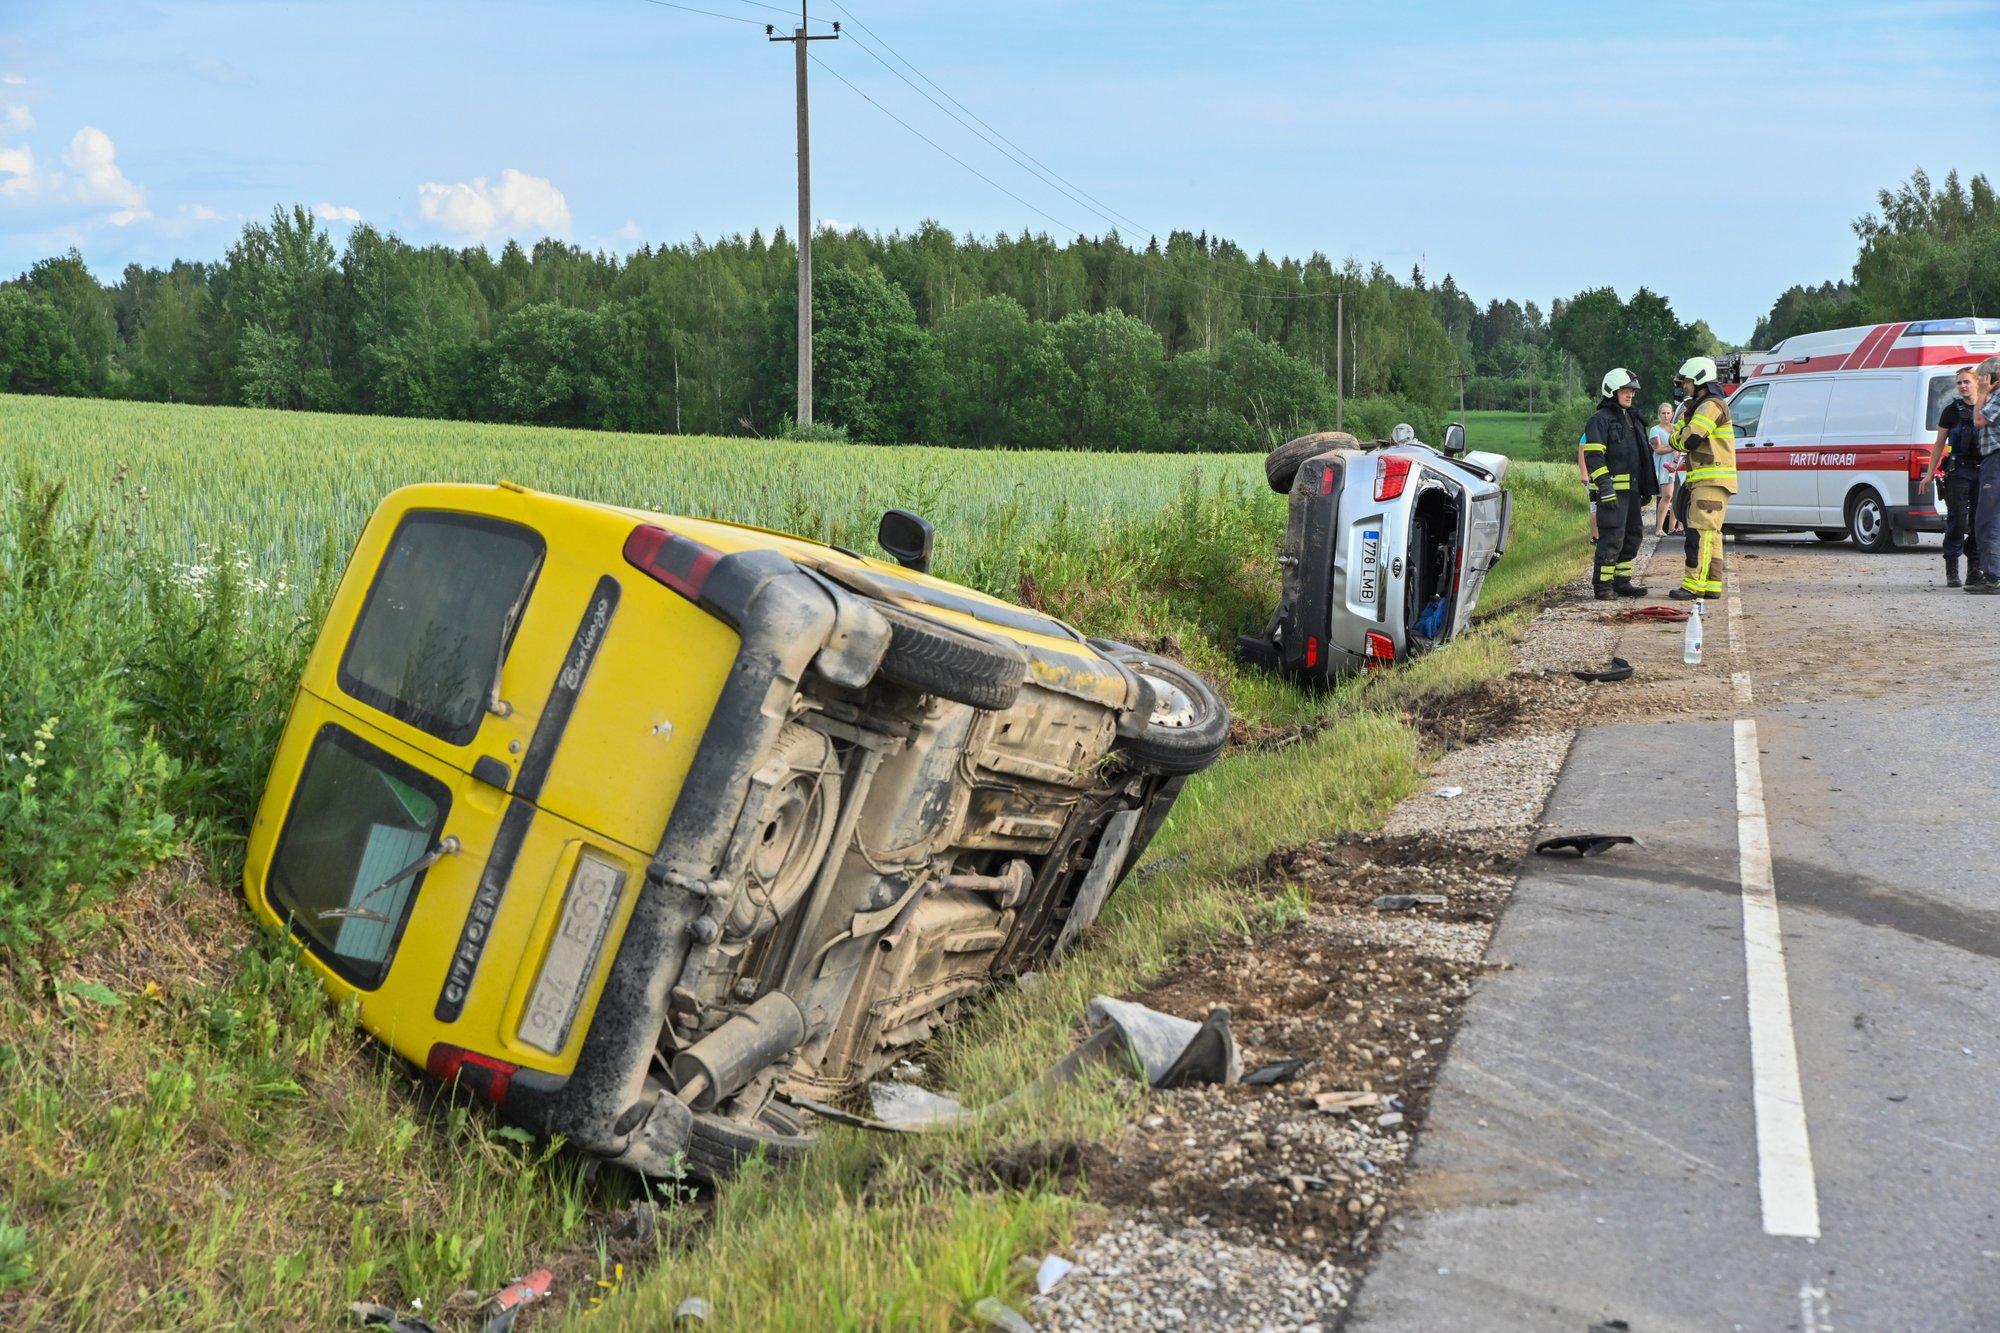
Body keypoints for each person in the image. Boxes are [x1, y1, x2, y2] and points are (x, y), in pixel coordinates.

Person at [1582, 367, 1658, 598]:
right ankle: (1603, 586)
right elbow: (1594, 457)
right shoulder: (1599, 420)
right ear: (1611, 391)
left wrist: (1645, 487)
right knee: (1612, 537)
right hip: (1612, 493)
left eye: (1632, 391)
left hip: (1633, 492)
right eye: (1625, 391)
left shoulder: (1633, 419)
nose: (1630, 395)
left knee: (1633, 535)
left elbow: (1644, 456)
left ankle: (1622, 581)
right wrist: (1605, 487)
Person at [1667, 355, 1737, 601]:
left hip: (1711, 482)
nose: (1684, 387)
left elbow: (1689, 439)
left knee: (1698, 533)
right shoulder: (1707, 405)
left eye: (1687, 382)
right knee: (1712, 534)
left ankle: (1692, 585)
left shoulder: (1710, 406)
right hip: (1712, 482)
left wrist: (1675, 436)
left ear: (1699, 380)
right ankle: (1710, 585)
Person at [1919, 367, 1983, 588]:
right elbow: (1938, 446)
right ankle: (1952, 568)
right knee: (1957, 519)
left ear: (1976, 383)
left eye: (1966, 382)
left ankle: (1974, 569)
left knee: (1978, 521)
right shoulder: (1950, 411)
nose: (1963, 386)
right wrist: (1929, 474)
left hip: (1983, 471)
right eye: (1959, 383)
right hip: (1958, 472)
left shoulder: (1988, 408)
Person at [1971, 357, 2000, 594]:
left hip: (1996, 461)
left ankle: (1994, 578)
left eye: (1982, 378)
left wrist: (1981, 393)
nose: (1980, 382)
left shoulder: (1998, 396)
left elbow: (1979, 420)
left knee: (1987, 521)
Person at [1651, 402, 1680, 535]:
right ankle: (1659, 528)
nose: (1666, 416)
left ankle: (1672, 528)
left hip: (1677, 463)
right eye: (1663, 413)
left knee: (1676, 496)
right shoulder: (1655, 430)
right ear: (1659, 414)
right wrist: (1674, 447)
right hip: (1663, 466)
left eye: (1668, 413)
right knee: (1667, 495)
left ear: (1672, 414)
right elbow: (1658, 449)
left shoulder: (1676, 428)